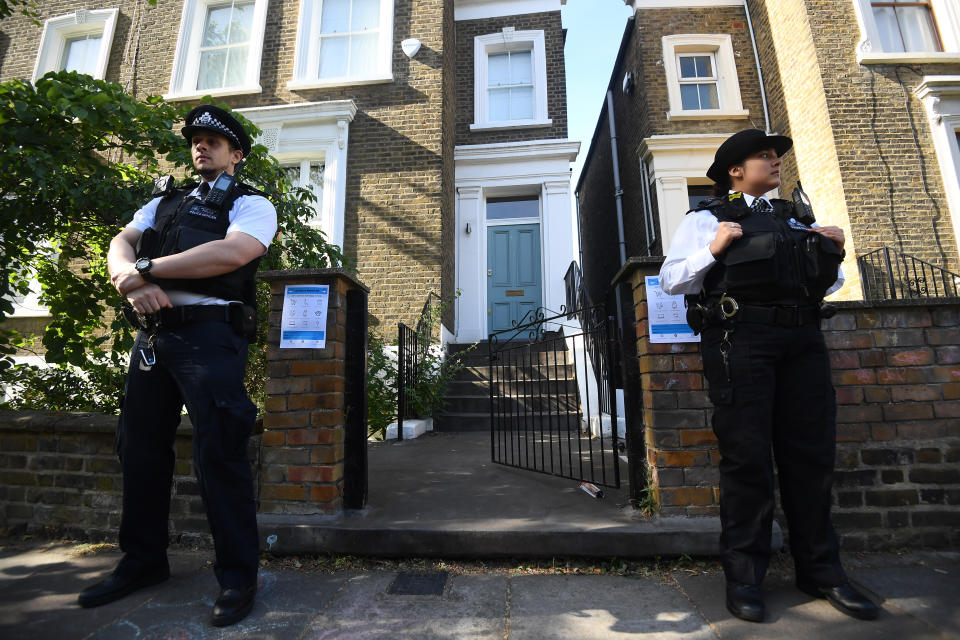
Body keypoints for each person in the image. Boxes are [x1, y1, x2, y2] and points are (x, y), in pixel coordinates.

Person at [659, 129, 879, 623]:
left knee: (811, 456)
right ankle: (744, 578)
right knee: (747, 460)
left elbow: (830, 282)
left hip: (803, 340)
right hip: (741, 342)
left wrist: (833, 252)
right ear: (736, 170)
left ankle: (821, 572)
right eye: (764, 155)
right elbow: (673, 279)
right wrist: (712, 249)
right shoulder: (705, 219)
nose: (775, 161)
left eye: (776, 155)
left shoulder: (797, 217)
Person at [78, 105, 277, 627]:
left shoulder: (251, 204)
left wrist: (145, 269)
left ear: (236, 153)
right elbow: (120, 242)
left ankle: (237, 576)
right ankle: (143, 562)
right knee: (139, 449)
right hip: (152, 339)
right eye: (195, 140)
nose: (201, 146)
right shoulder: (163, 202)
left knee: (219, 452)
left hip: (209, 337)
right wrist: (129, 278)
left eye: (214, 140)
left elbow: (230, 255)